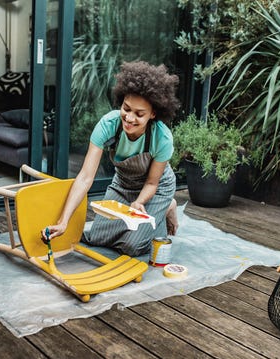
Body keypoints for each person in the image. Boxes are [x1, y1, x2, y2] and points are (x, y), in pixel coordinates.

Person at [42, 61, 180, 257]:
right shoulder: (108, 124)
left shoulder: (162, 138)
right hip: (123, 184)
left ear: (153, 114)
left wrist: (139, 202)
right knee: (98, 237)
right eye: (126, 108)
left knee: (133, 246)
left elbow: (151, 182)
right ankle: (152, 216)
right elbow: (85, 177)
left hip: (155, 189)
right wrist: (63, 221)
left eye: (139, 114)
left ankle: (166, 206)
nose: (130, 118)